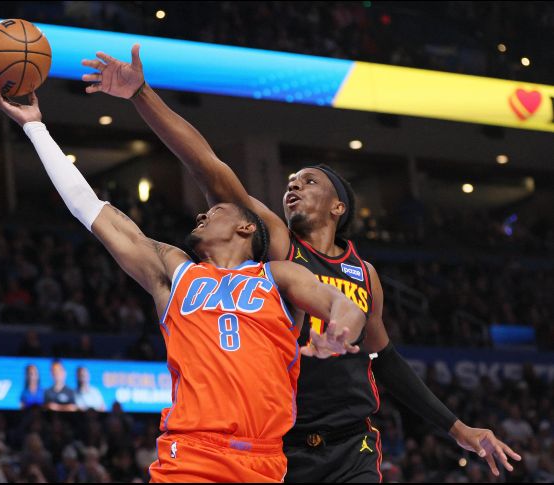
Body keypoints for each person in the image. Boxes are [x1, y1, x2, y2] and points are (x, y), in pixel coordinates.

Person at [82, 44, 523, 481]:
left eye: (308, 182)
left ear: (338, 208)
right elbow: (207, 167)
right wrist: (142, 94)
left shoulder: (363, 274)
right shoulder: (278, 246)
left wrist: (458, 428)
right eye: (290, 182)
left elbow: (384, 359)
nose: (293, 187)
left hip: (352, 445)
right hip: (284, 445)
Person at [0, 82, 367, 482]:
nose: (201, 216)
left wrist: (339, 333)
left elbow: (343, 304)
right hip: (190, 456)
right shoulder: (175, 270)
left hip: (263, 460)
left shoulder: (278, 275)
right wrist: (36, 128)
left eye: (213, 211)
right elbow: (91, 209)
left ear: (245, 226)